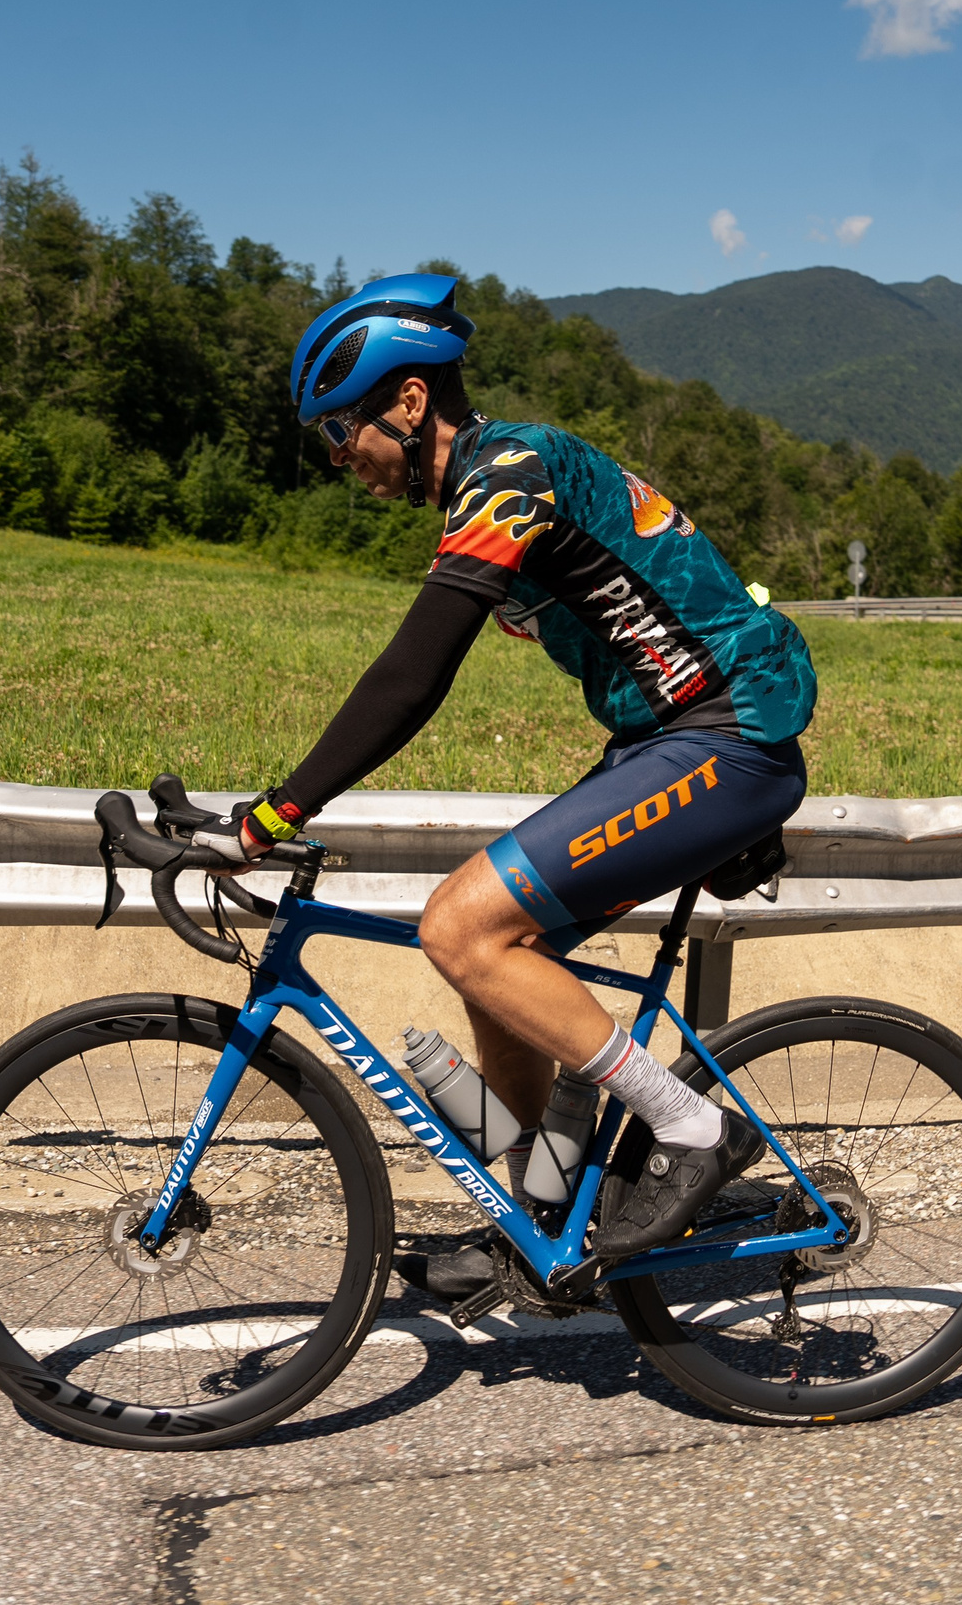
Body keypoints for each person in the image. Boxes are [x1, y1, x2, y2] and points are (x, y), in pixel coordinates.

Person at [229, 273, 817, 1298]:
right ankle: (539, 1214)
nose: (338, 461)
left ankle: (692, 1129)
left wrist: (279, 810)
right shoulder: (492, 480)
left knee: (458, 926)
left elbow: (413, 674)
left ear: (408, 404)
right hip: (668, 740)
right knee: (493, 962)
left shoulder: (510, 473)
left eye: (339, 431)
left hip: (730, 735)